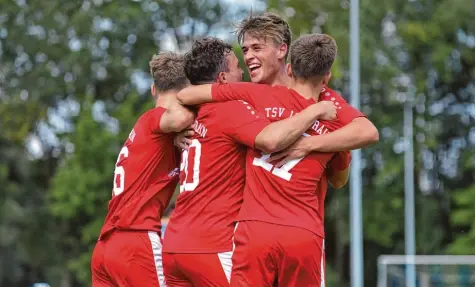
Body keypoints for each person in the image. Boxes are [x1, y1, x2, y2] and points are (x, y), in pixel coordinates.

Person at [177, 33, 379, 286]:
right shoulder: (336, 125)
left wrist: (180, 127)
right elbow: (348, 165)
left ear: (291, 69)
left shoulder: (255, 96)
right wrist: (313, 144)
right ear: (327, 77)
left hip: (254, 229)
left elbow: (186, 95)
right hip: (303, 232)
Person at [90, 52, 194, 287]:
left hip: (106, 245)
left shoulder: (146, 131)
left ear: (153, 89)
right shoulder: (154, 119)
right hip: (136, 239)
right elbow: (178, 119)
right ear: (186, 88)